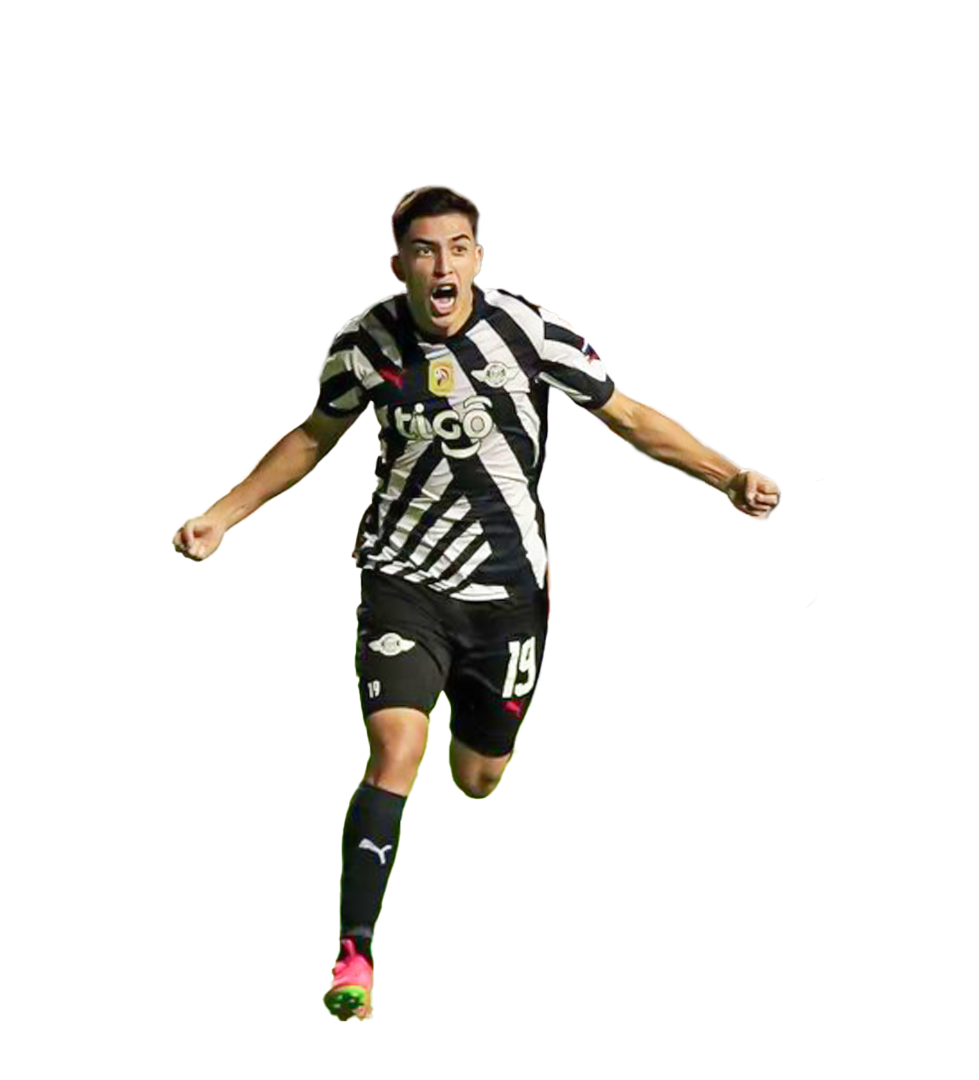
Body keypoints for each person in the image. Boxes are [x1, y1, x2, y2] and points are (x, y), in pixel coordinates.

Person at [171, 185, 781, 1021]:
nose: (443, 265)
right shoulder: (366, 343)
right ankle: (355, 953)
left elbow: (630, 416)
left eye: (457, 248)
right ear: (400, 265)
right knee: (395, 750)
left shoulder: (529, 333)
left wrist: (728, 474)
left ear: (477, 259)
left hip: (506, 594)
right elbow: (313, 436)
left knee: (479, 775)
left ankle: (483, 740)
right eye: (425, 250)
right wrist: (220, 515)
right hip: (404, 578)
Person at [718, 194, 861, 817]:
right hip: (810, 492)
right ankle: (756, 756)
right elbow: (750, 377)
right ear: (854, 242)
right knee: (790, 635)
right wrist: (733, 414)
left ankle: (866, 715)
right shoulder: (802, 312)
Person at [516, 255, 663, 756]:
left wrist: (592, 438)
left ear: (575, 292)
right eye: (535, 288)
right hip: (545, 485)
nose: (539, 296)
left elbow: (646, 412)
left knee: (618, 601)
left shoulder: (611, 344)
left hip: (598, 480)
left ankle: (646, 725)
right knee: (544, 606)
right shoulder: (523, 348)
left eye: (548, 287)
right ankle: (546, 729)